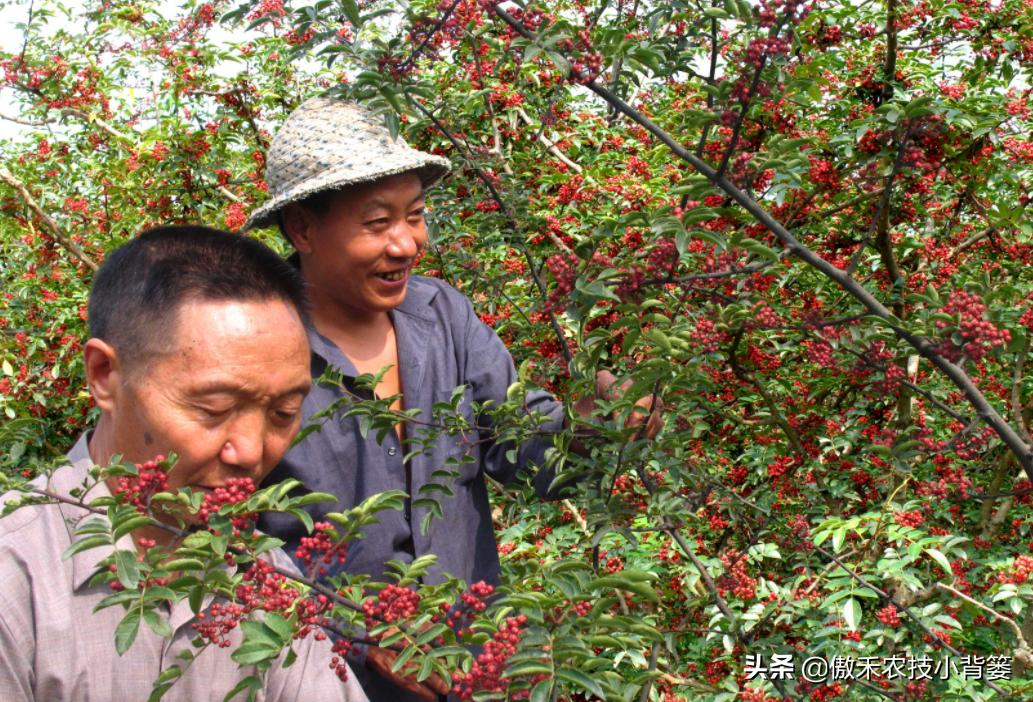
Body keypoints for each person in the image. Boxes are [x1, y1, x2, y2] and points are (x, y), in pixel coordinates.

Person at [246, 97, 661, 701]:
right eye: (377, 222)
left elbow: (521, 445)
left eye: (414, 215)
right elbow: (220, 538)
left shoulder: (443, 315)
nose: (406, 243)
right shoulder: (252, 346)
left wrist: (596, 431)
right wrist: (353, 630)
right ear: (303, 229)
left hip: (469, 668)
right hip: (319, 681)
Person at [0, 226, 367, 701]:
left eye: (283, 412)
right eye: (215, 408)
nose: (251, 450)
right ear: (105, 375)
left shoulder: (266, 576)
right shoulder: (17, 573)